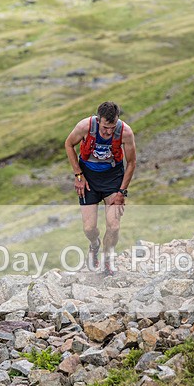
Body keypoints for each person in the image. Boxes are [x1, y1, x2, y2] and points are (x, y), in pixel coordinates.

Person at [65, 101, 137, 275]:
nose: (109, 131)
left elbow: (132, 162)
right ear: (98, 120)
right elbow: (68, 144)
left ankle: (107, 260)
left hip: (113, 179)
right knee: (89, 228)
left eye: (112, 127)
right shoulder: (84, 126)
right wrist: (78, 175)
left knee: (114, 226)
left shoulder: (125, 132)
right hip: (88, 178)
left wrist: (122, 192)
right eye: (105, 127)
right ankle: (94, 244)